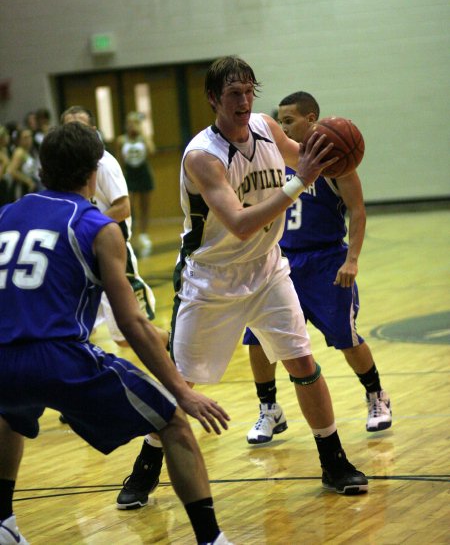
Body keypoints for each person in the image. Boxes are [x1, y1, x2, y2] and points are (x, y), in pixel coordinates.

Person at [117, 56, 368, 510]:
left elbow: (306, 161)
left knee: (302, 362)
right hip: (211, 280)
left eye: (250, 90)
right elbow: (239, 223)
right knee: (181, 381)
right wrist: (301, 182)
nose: (244, 100)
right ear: (213, 99)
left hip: (269, 270)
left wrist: (335, 153)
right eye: (234, 93)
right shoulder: (202, 157)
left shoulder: (268, 128)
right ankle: (146, 466)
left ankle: (333, 461)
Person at [0, 122, 233, 545]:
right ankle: (211, 539)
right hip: (59, 358)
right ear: (94, 172)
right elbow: (132, 324)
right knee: (173, 422)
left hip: (1, 359)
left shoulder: (4, 216)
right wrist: (182, 389)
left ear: (41, 168)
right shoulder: (95, 225)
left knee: (10, 413)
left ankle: (2, 524)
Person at [244, 91, 392, 445]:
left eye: (289, 120)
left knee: (346, 337)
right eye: (279, 120)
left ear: (311, 119)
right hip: (280, 262)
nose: (282, 126)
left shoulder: (336, 161)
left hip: (325, 261)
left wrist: (352, 259)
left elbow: (357, 210)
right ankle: (269, 409)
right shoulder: (273, 157)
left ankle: (377, 396)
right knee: (258, 339)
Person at [60, 106, 168, 348]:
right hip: (80, 256)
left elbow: (123, 208)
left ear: (93, 131)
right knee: (77, 330)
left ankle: (174, 348)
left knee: (131, 334)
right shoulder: (66, 169)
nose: (75, 132)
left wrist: (85, 227)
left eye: (81, 126)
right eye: (70, 127)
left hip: (112, 253)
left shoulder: (104, 163)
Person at [117, 112, 155, 257]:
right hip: (130, 175)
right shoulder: (121, 140)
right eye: (129, 123)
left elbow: (152, 151)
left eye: (135, 123)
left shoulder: (144, 138)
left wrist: (144, 135)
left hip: (143, 174)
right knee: (129, 206)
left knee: (144, 206)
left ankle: (144, 234)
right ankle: (129, 232)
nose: (132, 126)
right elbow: (120, 160)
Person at [6, 128, 40, 200]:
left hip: (28, 186)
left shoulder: (28, 152)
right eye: (25, 137)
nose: (29, 139)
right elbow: (12, 171)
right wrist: (28, 181)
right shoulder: (19, 152)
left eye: (30, 136)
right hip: (20, 187)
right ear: (19, 140)